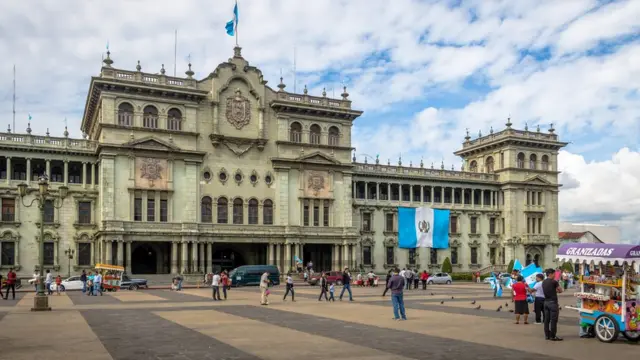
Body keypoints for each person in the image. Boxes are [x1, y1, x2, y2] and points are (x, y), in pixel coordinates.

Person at [542, 268, 563, 341]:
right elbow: (560, 290)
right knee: (553, 320)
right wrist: (556, 290)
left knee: (546, 320)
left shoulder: (543, 282)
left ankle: (547, 335)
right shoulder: (554, 282)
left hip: (546, 302)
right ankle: (553, 336)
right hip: (553, 303)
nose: (555, 275)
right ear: (551, 274)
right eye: (554, 274)